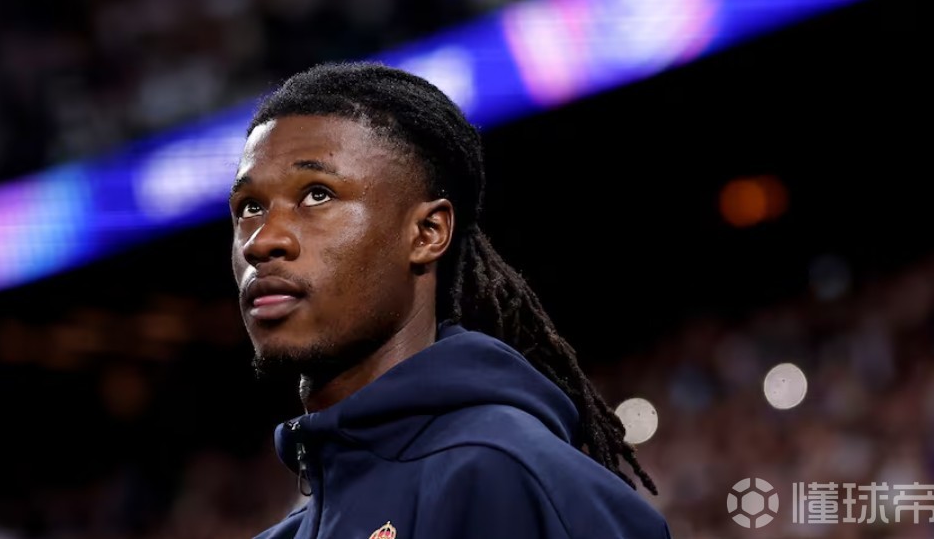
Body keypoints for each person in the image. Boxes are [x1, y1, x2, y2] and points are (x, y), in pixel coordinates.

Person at [228, 62, 672, 538]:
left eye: (317, 195)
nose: (261, 240)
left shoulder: (508, 475)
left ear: (428, 232)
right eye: (250, 207)